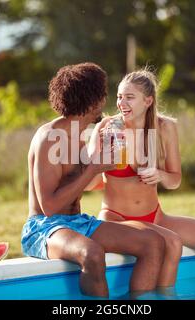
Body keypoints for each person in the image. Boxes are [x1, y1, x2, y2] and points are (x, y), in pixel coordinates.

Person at [21, 63, 171, 298]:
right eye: (103, 94)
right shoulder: (50, 138)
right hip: (44, 228)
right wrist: (92, 168)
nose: (106, 100)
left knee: (153, 243)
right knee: (92, 254)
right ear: (92, 101)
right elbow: (50, 207)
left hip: (78, 223)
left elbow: (90, 180)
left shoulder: (82, 136)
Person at [86, 69, 195, 287]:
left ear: (148, 100)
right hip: (116, 219)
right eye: (119, 97)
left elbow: (175, 180)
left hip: (156, 217)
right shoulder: (106, 128)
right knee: (172, 242)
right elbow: (90, 183)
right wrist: (99, 155)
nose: (121, 103)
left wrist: (159, 174)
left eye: (129, 97)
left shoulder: (165, 127)